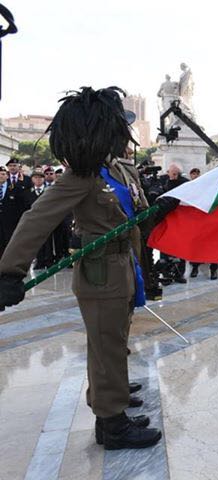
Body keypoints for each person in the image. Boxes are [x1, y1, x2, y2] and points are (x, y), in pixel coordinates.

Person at [0, 86, 174, 450]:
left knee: (111, 342)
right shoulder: (80, 176)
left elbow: (130, 214)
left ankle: (112, 400)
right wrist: (10, 271)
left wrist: (158, 208)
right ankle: (112, 425)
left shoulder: (108, 168)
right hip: (100, 273)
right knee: (106, 345)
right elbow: (37, 218)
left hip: (121, 266)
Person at [187, 169, 218, 280]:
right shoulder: (188, 187)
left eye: (197, 174)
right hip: (197, 221)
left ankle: (214, 270)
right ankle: (195, 267)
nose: (195, 176)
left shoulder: (208, 188)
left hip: (211, 221)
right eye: (193, 174)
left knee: (213, 246)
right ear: (190, 175)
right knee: (196, 246)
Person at [23, 171, 54, 269]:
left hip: (47, 220)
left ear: (43, 179)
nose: (38, 180)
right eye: (35, 178)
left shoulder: (49, 191)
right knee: (36, 242)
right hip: (34, 221)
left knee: (48, 241)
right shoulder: (28, 192)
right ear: (32, 180)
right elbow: (26, 207)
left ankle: (49, 260)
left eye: (40, 178)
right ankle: (39, 261)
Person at [0, 162, 28, 257]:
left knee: (10, 243)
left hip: (10, 222)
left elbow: (21, 205)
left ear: (7, 176)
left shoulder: (15, 188)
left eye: (3, 174)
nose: (1, 176)